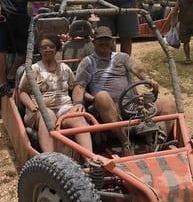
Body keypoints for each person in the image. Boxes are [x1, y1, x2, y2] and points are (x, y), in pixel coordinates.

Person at [72, 26, 175, 155]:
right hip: (107, 106)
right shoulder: (88, 62)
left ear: (112, 42)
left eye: (107, 40)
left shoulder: (122, 57)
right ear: (94, 42)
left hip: (132, 103)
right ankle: (125, 142)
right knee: (102, 96)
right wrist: (78, 103)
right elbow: (79, 86)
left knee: (168, 103)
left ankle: (159, 142)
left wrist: (147, 79)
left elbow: (136, 68)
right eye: (100, 40)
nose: (104, 43)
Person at [18, 34, 92, 155]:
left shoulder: (64, 68)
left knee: (78, 118)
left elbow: (74, 88)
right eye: (44, 47)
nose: (48, 50)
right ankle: (52, 160)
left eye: (51, 46)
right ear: (39, 50)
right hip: (40, 109)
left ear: (56, 48)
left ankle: (91, 160)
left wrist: (79, 102)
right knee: (49, 115)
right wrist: (31, 106)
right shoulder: (34, 69)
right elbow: (22, 92)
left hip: (64, 107)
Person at [171, 0, 193, 64]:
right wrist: (173, 21)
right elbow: (175, 10)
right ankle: (188, 58)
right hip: (184, 24)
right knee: (186, 42)